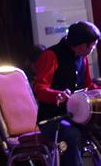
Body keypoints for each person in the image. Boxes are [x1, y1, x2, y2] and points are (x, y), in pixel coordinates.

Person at [33, 21, 101, 166]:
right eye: (93, 45)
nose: (93, 49)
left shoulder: (82, 57)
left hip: (77, 118)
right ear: (82, 45)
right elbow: (40, 88)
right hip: (53, 119)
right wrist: (56, 95)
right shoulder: (51, 55)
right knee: (72, 134)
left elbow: (88, 86)